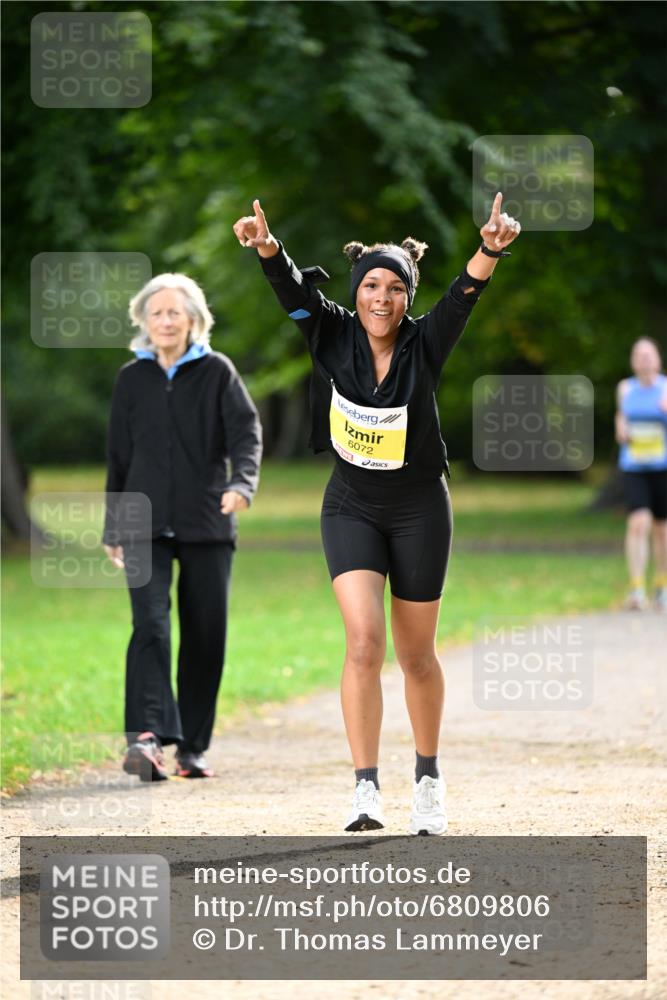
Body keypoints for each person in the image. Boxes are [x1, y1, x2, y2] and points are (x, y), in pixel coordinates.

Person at [233, 194, 520, 833]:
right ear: (357, 292)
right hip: (351, 505)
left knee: (416, 656)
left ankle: (428, 777)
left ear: (407, 297)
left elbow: (465, 294)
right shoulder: (329, 332)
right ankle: (365, 788)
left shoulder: (428, 341)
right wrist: (267, 248)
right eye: (370, 286)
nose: (381, 298)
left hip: (419, 508)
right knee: (363, 642)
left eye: (394, 288)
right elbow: (289, 294)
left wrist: (491, 248)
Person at [103, 273, 262, 780]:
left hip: (207, 522)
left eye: (175, 312)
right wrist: (114, 525)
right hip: (143, 523)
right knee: (149, 625)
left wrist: (242, 483)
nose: (166, 321)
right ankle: (146, 739)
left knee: (205, 633)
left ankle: (191, 747)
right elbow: (118, 457)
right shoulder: (132, 378)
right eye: (157, 313)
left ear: (193, 319)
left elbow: (246, 434)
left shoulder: (218, 372)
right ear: (144, 322)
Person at [615, 337, 667, 612]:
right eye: (639, 355)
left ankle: (662, 586)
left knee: (662, 529)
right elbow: (620, 417)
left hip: (663, 467)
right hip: (634, 466)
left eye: (649, 355)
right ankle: (637, 589)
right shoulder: (625, 388)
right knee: (638, 524)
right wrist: (621, 428)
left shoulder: (666, 389)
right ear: (634, 361)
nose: (645, 359)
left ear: (657, 359)